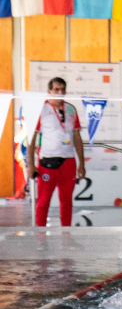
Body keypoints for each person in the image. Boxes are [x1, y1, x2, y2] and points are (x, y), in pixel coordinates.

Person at [27, 77, 86, 227]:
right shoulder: (41, 109)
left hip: (68, 162)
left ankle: (66, 236)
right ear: (49, 91)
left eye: (62, 89)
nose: (60, 92)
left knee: (66, 202)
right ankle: (40, 237)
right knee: (43, 202)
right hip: (47, 162)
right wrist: (31, 165)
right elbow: (31, 138)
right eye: (56, 89)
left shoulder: (71, 109)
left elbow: (77, 137)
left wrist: (81, 164)